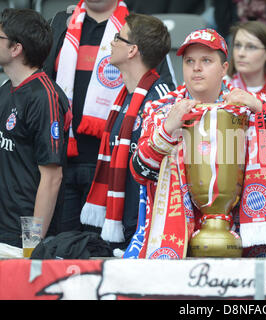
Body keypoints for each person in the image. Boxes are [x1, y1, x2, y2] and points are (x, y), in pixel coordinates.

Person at [123, 28, 266, 259]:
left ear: (224, 68)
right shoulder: (162, 108)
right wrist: (167, 129)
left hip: (243, 236)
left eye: (206, 60)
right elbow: (139, 170)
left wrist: (261, 111)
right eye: (189, 61)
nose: (196, 68)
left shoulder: (246, 105)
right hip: (176, 234)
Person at [42, 0, 176, 234]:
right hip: (64, 158)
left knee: (101, 248)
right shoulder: (60, 23)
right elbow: (42, 86)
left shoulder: (138, 30)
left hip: (114, 165)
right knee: (64, 250)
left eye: (118, 39)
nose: (114, 43)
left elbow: (162, 94)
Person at [79, 13, 172, 249]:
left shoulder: (161, 100)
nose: (111, 42)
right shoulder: (123, 98)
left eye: (118, 38)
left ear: (132, 51)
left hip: (145, 232)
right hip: (120, 230)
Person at [0, 9, 70, 247]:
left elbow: (52, 177)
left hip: (20, 237)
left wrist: (31, 243)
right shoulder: (6, 88)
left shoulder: (44, 97)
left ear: (16, 48)